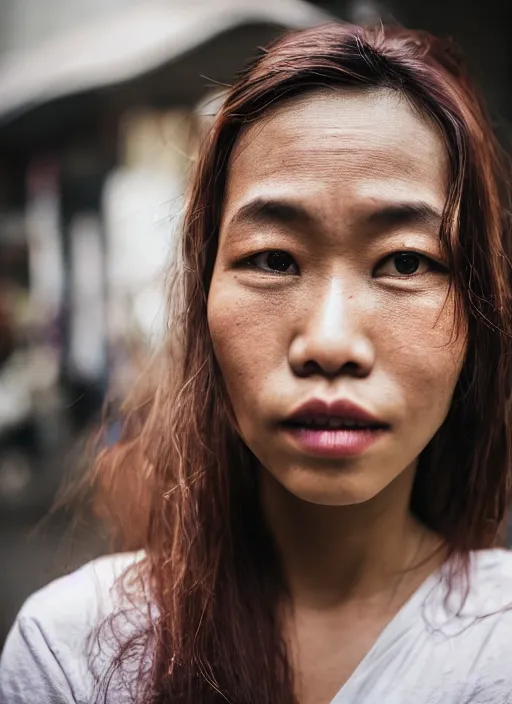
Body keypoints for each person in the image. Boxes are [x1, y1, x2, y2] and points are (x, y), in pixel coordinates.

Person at [2, 21, 512, 704]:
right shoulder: (74, 653)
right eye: (273, 259)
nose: (330, 344)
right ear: (204, 291)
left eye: (405, 261)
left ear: (476, 312)